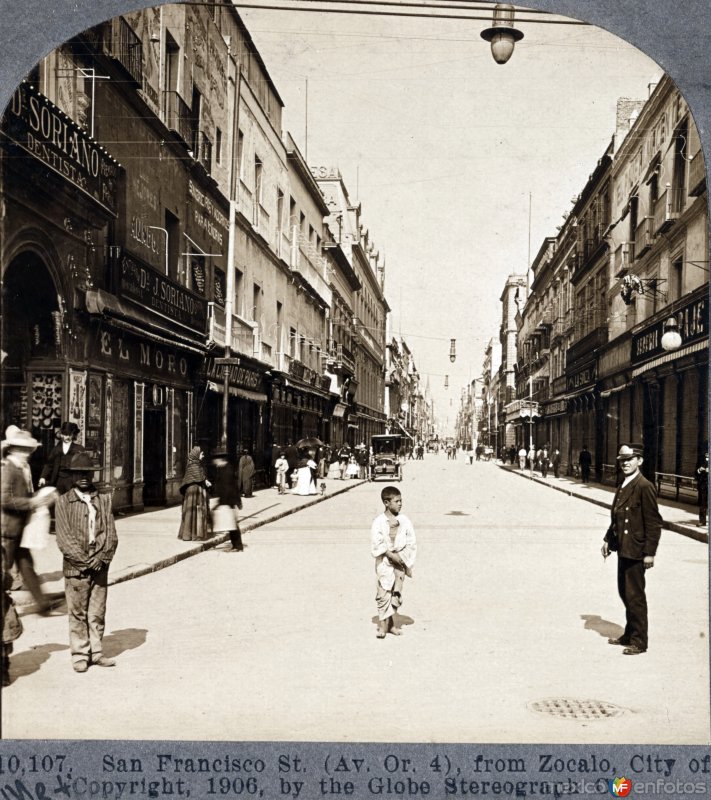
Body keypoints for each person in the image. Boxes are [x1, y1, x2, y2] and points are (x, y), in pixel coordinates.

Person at [54, 452, 118, 672]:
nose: (83, 477)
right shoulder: (64, 502)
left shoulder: (103, 500)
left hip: (99, 564)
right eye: (79, 473)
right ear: (72, 476)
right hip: (76, 567)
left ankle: (97, 651)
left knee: (97, 611)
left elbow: (110, 534)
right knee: (77, 612)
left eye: (87, 473)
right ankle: (80, 653)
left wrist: (101, 557)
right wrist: (84, 562)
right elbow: (64, 538)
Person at [602, 443, 662, 656]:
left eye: (630, 459)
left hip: (637, 551)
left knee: (635, 596)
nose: (625, 463)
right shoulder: (625, 483)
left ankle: (639, 641)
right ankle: (629, 633)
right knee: (625, 592)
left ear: (640, 461)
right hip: (624, 549)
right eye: (622, 460)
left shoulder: (644, 486)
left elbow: (654, 523)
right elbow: (617, 517)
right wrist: (609, 539)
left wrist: (650, 553)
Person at [1, 426, 57, 615]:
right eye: (22, 449)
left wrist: (42, 497)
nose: (27, 453)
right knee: (4, 570)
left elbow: (21, 495)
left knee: (26, 565)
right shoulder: (9, 469)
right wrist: (31, 502)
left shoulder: (21, 468)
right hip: (7, 529)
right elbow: (5, 499)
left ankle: (42, 604)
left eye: (28, 449)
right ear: (13, 449)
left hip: (20, 527)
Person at [371, 485, 416, 639]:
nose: (400, 504)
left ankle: (391, 625)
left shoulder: (404, 520)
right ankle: (382, 626)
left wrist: (402, 557)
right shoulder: (378, 521)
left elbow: (411, 541)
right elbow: (377, 543)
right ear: (386, 502)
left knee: (394, 594)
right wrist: (390, 554)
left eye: (401, 501)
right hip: (384, 562)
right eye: (396, 501)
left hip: (400, 563)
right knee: (384, 593)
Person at [38, 421, 84, 495]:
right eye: (64, 434)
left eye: (69, 435)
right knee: (58, 501)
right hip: (58, 480)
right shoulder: (56, 449)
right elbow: (49, 464)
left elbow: (85, 467)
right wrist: (43, 477)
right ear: (61, 434)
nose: (66, 437)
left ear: (73, 435)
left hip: (73, 480)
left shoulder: (79, 449)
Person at [210, 450, 243, 552]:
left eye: (215, 460)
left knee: (232, 524)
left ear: (219, 459)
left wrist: (223, 502)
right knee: (231, 524)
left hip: (229, 501)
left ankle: (238, 546)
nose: (214, 462)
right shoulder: (224, 468)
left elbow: (229, 488)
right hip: (228, 500)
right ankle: (236, 545)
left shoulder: (226, 470)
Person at [177, 447, 211, 541]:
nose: (203, 456)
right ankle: (194, 534)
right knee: (195, 512)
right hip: (194, 491)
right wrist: (205, 480)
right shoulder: (195, 465)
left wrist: (205, 480)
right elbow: (199, 477)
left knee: (192, 512)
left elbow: (200, 477)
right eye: (201, 454)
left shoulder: (193, 465)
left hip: (192, 491)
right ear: (196, 455)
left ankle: (189, 534)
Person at [695, 451, 708, 527]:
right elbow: (696, 472)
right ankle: (702, 521)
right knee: (702, 504)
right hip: (703, 485)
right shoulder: (700, 461)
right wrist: (699, 470)